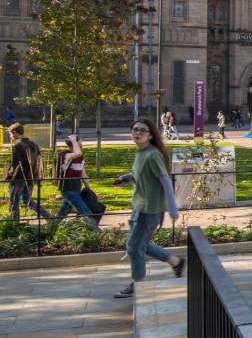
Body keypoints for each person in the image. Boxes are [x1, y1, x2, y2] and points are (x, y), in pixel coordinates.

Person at [112, 118, 185, 298]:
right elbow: (141, 173)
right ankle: (175, 262)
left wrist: (172, 208)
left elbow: (166, 181)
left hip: (150, 210)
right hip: (139, 206)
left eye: (142, 130)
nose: (137, 133)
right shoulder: (141, 152)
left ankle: (139, 285)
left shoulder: (152, 155)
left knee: (133, 247)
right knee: (140, 244)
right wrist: (127, 177)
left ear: (151, 135)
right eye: (135, 129)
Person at [50, 135, 99, 231]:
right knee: (86, 212)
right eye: (80, 139)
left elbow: (82, 173)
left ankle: (51, 229)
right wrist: (73, 140)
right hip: (68, 189)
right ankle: (97, 232)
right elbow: (78, 153)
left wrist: (89, 189)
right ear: (74, 143)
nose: (82, 141)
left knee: (62, 212)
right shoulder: (66, 155)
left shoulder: (80, 157)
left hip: (76, 189)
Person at [5, 123, 48, 221]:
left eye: (10, 134)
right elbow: (39, 161)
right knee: (27, 201)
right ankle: (46, 215)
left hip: (19, 178)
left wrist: (9, 175)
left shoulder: (17, 145)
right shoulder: (34, 144)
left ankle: (14, 223)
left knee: (13, 201)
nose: (10, 136)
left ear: (14, 132)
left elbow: (15, 165)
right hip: (31, 177)